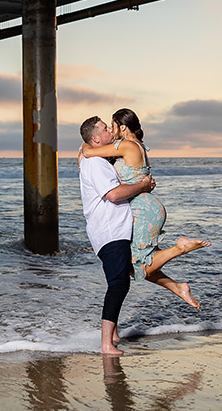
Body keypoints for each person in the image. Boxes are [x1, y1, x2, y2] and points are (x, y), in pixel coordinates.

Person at [81, 108, 210, 308]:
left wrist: (87, 145)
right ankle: (178, 287)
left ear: (122, 127)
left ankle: (180, 248)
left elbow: (88, 151)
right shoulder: (132, 146)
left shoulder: (127, 146)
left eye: (112, 125)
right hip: (143, 207)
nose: (111, 129)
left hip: (143, 210)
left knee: (139, 265)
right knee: (134, 267)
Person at [79, 116, 155, 356]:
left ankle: (112, 335)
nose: (109, 131)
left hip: (114, 229)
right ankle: (105, 344)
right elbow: (113, 194)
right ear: (95, 138)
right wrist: (142, 186)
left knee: (120, 279)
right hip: (110, 230)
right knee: (118, 283)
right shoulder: (95, 164)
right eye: (104, 128)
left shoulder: (98, 159)